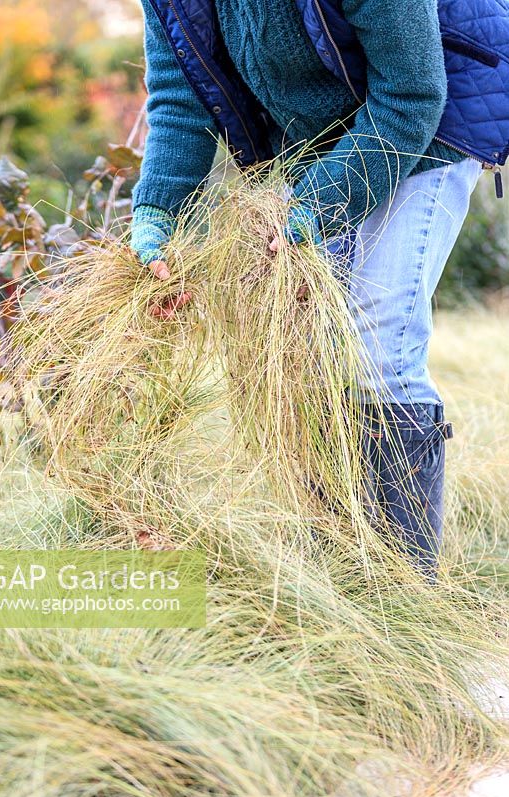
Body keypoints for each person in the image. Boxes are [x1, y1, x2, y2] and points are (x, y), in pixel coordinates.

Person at [130, 0, 506, 576]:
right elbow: (181, 101)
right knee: (309, 354)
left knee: (379, 338)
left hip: (426, 124)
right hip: (323, 140)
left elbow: (411, 97)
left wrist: (318, 207)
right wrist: (159, 213)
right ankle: (340, 573)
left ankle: (402, 589)